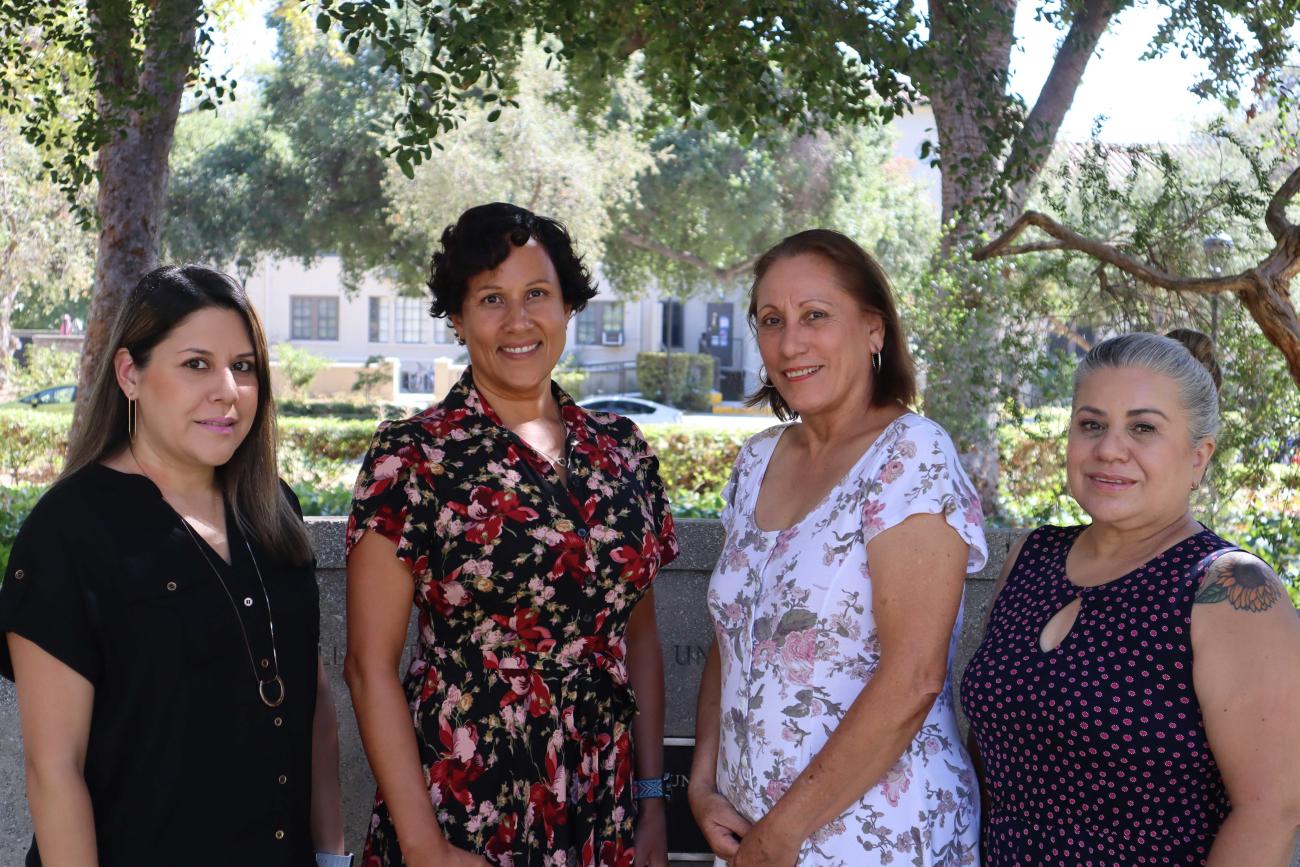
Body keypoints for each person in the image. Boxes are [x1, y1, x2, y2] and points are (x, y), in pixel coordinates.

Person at [345, 202, 678, 867]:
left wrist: (651, 800)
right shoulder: (412, 457)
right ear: (458, 317)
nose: (518, 320)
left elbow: (636, 637)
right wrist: (424, 848)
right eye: (491, 298)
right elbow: (368, 667)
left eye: (537, 294)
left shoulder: (622, 451)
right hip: (466, 805)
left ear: (567, 306)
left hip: (602, 803)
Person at [0, 265, 348, 866]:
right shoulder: (68, 533)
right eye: (196, 364)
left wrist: (333, 857)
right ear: (130, 373)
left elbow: (310, 703)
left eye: (243, 366)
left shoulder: (273, 511)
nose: (227, 390)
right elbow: (54, 770)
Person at [688, 229, 988, 866]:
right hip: (752, 836)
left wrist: (783, 834)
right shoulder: (757, 461)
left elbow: (914, 678)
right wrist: (702, 781)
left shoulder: (910, 457)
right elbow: (734, 634)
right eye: (772, 320)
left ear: (874, 329)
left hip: (875, 836)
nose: (790, 342)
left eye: (815, 316)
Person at [961, 330, 1300, 865]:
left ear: (1198, 457)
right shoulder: (1031, 556)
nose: (1109, 449)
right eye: (1091, 424)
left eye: (1143, 428)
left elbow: (1270, 813)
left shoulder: (1230, 589)